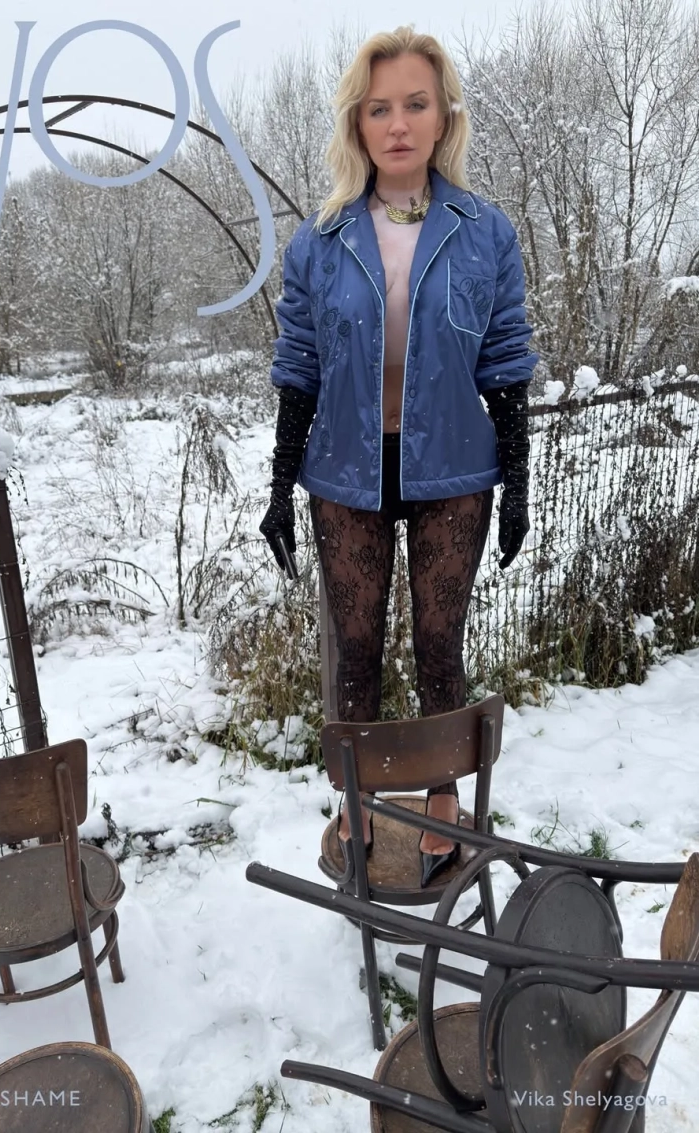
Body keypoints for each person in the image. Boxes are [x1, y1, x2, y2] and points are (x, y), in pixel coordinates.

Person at [259, 26, 538, 887]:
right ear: (358, 122)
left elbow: (506, 360)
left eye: (416, 104)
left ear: (443, 114)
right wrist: (279, 484)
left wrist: (519, 480)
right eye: (379, 108)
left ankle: (442, 800)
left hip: (453, 468)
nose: (398, 123)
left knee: (438, 642)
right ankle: (358, 799)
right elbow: (298, 365)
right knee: (356, 647)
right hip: (345, 471)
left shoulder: (485, 233)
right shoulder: (321, 239)